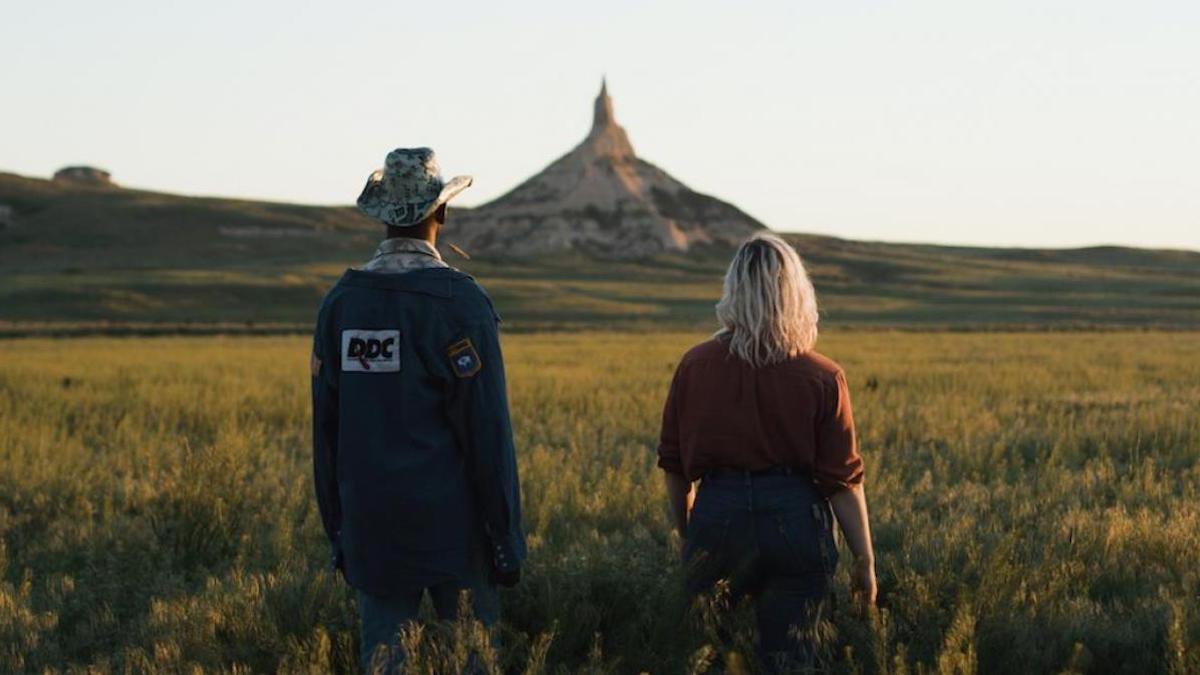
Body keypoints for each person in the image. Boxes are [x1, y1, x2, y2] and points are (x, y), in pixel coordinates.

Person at [311, 148, 526, 672]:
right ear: (442, 213)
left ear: (382, 216)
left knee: (386, 660)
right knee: (473, 656)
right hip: (457, 527)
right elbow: (487, 432)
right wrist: (506, 538)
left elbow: (327, 433)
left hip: (373, 525)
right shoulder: (460, 302)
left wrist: (339, 532)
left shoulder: (342, 305)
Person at [656, 233, 876, 671]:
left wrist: (690, 538)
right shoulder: (823, 376)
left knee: (710, 657)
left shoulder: (695, 365)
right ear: (795, 293)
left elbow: (675, 466)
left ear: (732, 289)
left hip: (717, 516)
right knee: (791, 659)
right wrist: (865, 560)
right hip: (795, 520)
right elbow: (842, 483)